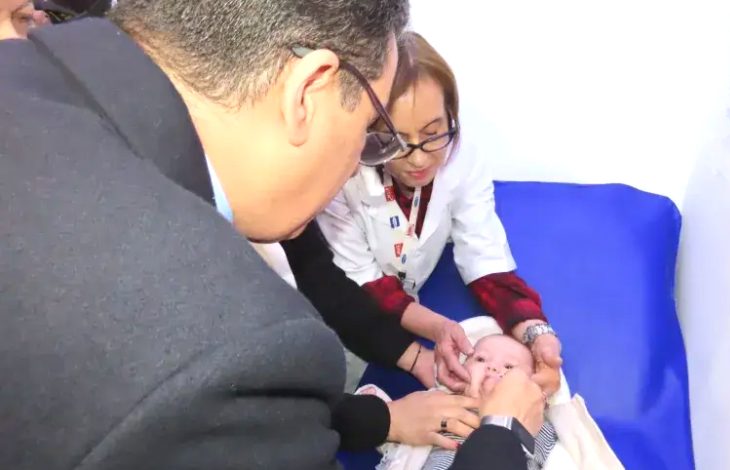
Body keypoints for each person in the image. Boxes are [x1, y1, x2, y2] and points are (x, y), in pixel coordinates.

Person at [0, 1, 544, 469]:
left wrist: (388, 407)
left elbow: (319, 272)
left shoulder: (25, 71)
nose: (370, 159)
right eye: (369, 133)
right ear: (307, 93)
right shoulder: (237, 355)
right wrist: (503, 435)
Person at [317, 32, 564, 395]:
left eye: (433, 134)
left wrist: (535, 331)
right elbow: (366, 285)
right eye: (397, 142)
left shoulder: (464, 163)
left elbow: (485, 261)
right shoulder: (344, 178)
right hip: (335, 311)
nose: (418, 159)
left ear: (451, 117)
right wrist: (439, 328)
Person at [421, 335, 558, 470]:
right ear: (458, 371)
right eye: (481, 359)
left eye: (509, 366)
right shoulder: (444, 403)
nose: (492, 366)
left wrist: (540, 401)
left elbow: (552, 450)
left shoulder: (532, 421)